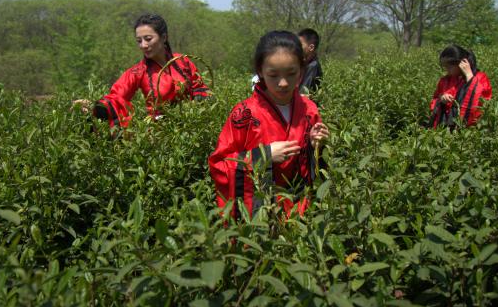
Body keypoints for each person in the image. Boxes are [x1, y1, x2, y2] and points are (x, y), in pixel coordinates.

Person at [210, 30, 329, 219]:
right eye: (273, 75)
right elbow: (220, 164)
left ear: (302, 70)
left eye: (291, 73)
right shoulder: (244, 114)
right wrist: (262, 156)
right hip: (260, 211)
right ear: (260, 71)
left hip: (300, 210)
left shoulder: (309, 109)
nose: (283, 83)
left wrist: (317, 146)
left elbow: (317, 168)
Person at [74, 14, 210, 127]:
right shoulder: (138, 71)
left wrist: (200, 100)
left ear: (164, 38)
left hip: (192, 128)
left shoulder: (182, 61)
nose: (143, 45)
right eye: (139, 41)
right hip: (161, 134)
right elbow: (117, 97)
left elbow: (199, 88)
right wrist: (94, 106)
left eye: (148, 39)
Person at [429, 45, 492, 128]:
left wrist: (469, 76)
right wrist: (442, 99)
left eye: (449, 66)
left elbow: (482, 103)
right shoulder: (445, 81)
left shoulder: (480, 78)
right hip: (446, 128)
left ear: (461, 63)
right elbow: (435, 100)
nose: (446, 69)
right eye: (444, 66)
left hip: (471, 130)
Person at [298, 28, 323, 95]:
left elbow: (303, 94)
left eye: (300, 45)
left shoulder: (313, 66)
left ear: (311, 47)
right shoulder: (304, 63)